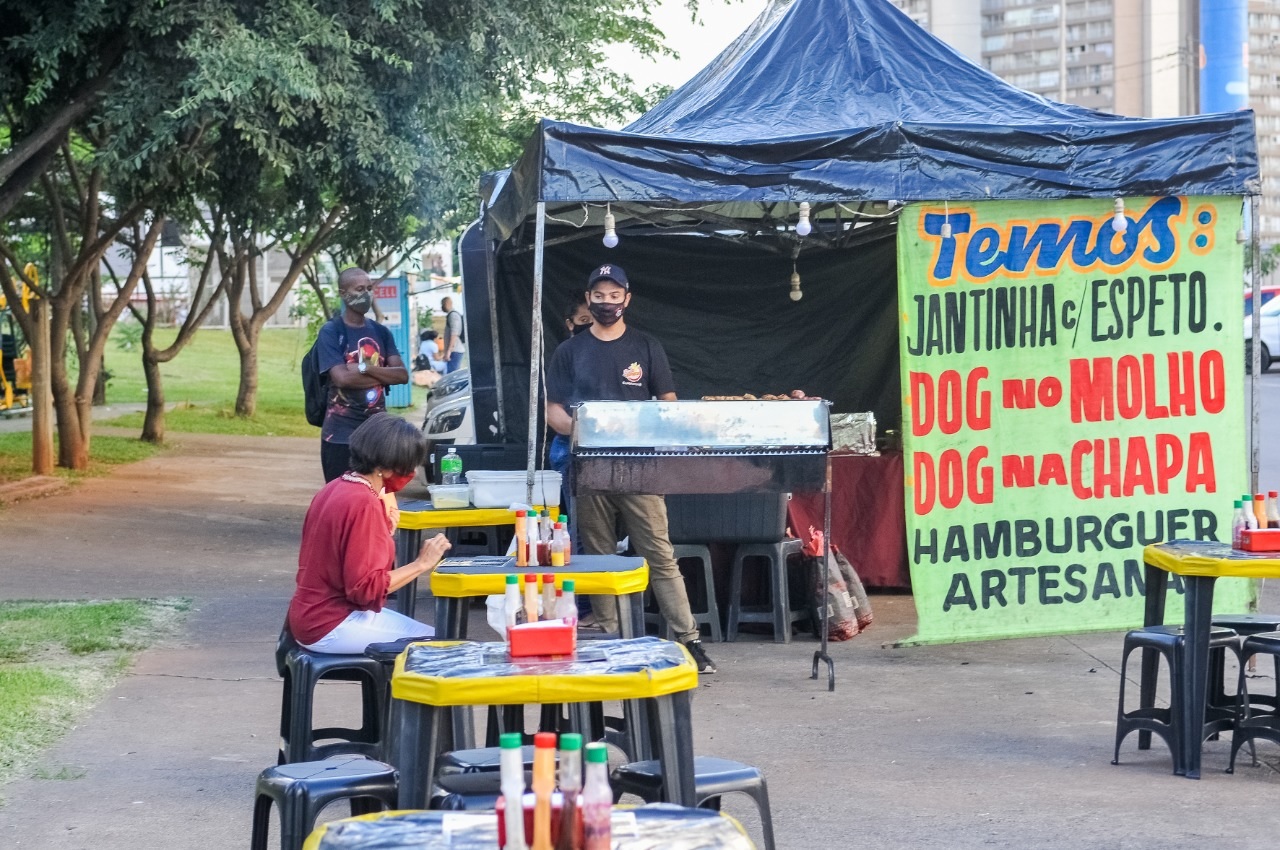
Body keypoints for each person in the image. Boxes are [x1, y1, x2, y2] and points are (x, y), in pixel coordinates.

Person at [545, 264, 717, 674]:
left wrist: (649, 426)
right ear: (589, 299)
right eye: (599, 296)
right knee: (599, 555)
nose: (607, 302)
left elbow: (668, 402)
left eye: (614, 295)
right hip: (589, 468)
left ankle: (689, 640)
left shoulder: (646, 346)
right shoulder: (569, 351)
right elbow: (554, 411)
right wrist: (587, 432)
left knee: (659, 553)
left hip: (642, 469)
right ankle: (609, 637)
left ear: (627, 298)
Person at [288, 413, 451, 653]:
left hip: (311, 614)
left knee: (435, 637)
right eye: (408, 466)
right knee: (441, 647)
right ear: (385, 468)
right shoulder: (364, 503)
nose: (413, 474)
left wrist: (382, 532)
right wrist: (421, 564)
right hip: (330, 623)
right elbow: (366, 589)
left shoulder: (336, 487)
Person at [318, 268, 410, 482]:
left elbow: (402, 375)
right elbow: (342, 378)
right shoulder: (332, 331)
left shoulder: (381, 332)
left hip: (377, 435)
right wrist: (384, 374)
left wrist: (365, 369)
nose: (366, 294)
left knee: (377, 501)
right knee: (341, 500)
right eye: (359, 289)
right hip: (340, 436)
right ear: (343, 293)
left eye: (369, 288)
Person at [441, 296, 467, 373]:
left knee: (453, 373)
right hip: (453, 350)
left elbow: (454, 334)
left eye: (442, 304)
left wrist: (449, 351)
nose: (442, 307)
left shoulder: (453, 316)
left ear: (447, 303)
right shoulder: (451, 315)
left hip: (455, 350)